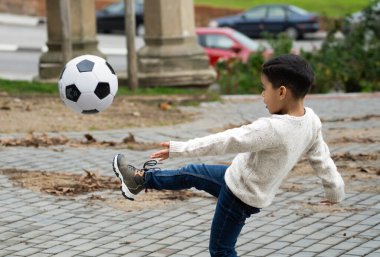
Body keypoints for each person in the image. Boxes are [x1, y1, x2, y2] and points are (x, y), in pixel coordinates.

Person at [112, 54, 345, 257]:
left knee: (221, 251)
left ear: (282, 92)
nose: (262, 94)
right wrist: (335, 189)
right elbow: (321, 156)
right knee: (190, 173)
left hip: (240, 196)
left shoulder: (273, 129)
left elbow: (226, 141)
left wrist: (180, 148)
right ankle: (138, 181)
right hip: (236, 178)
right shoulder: (311, 119)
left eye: (265, 88)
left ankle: (140, 181)